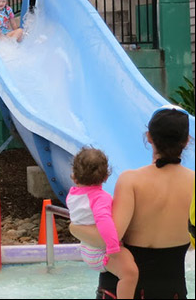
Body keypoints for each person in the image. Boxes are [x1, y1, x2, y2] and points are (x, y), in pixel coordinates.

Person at [69, 105, 194, 299]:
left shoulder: (131, 181)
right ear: (186, 141)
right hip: (174, 291)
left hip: (122, 290)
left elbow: (109, 237)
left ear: (149, 137)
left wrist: (73, 228)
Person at [67, 147, 138, 299]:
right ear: (106, 177)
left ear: (74, 176)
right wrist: (113, 248)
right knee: (130, 274)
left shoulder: (73, 195)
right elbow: (104, 223)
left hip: (87, 248)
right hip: (101, 252)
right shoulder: (100, 198)